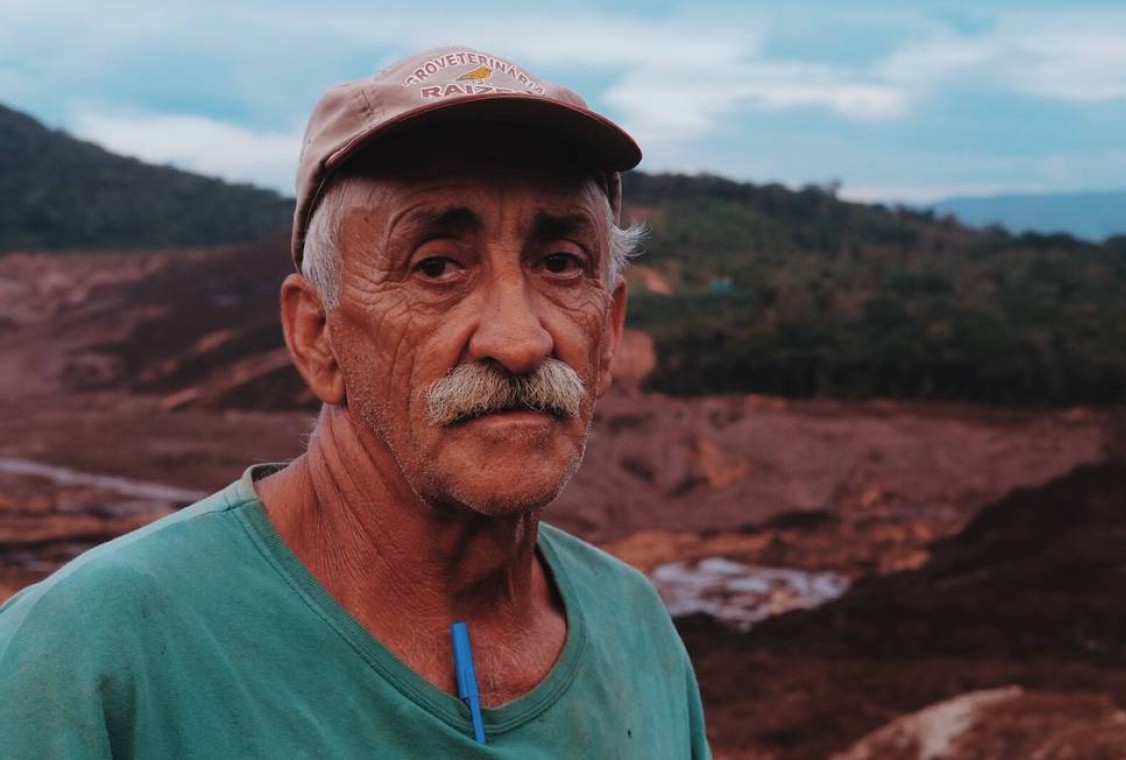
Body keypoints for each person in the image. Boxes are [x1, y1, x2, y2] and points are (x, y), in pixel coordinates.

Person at [0, 45, 711, 758]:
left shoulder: (635, 633)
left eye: (560, 264)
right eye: (435, 266)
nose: (518, 340)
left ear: (610, 332)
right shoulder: (89, 654)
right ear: (318, 338)